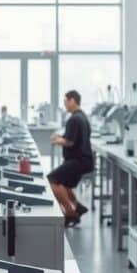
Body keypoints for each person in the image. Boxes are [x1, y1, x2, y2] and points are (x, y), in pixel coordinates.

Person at [48, 90, 94, 227]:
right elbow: (74, 137)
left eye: (65, 101)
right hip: (84, 160)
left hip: (78, 161)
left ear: (72, 100)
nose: (65, 105)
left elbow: (69, 142)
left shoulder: (74, 119)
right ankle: (78, 207)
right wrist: (61, 137)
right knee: (65, 184)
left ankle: (70, 213)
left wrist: (56, 140)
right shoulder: (82, 116)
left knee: (51, 180)